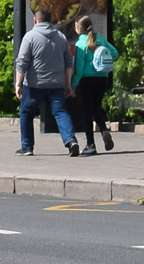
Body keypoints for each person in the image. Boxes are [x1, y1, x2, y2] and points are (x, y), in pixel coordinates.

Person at [14, 9, 79, 157]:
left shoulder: (30, 37)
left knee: (26, 112)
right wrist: (68, 84)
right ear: (51, 21)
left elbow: (22, 62)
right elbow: (69, 62)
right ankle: (71, 141)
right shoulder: (61, 37)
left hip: (34, 85)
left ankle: (27, 147)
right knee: (60, 112)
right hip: (56, 84)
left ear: (35, 20)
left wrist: (18, 83)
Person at [71, 15, 119, 155]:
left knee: (87, 112)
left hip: (87, 80)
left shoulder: (80, 44)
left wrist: (73, 85)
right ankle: (104, 132)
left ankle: (90, 145)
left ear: (79, 28)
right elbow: (114, 53)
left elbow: (79, 70)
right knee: (96, 108)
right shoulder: (100, 39)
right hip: (102, 78)